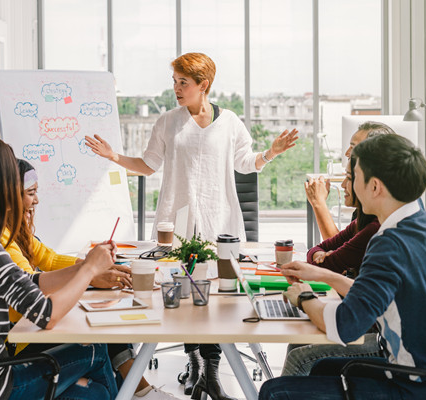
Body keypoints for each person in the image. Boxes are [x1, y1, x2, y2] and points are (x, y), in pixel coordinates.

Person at [86, 52, 298, 400]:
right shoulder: (168, 121)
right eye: (174, 81)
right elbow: (149, 164)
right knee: (182, 293)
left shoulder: (230, 122)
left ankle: (210, 370)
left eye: (183, 82)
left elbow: (247, 163)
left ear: (204, 85)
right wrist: (114, 157)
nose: (176, 89)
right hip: (178, 221)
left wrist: (271, 152)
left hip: (219, 220)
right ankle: (196, 361)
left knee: (216, 296)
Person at [261, 134, 426, 399]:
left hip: (420, 387)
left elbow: (344, 326)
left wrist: (302, 297)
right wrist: (323, 274)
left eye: (354, 175)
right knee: (321, 367)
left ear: (374, 187)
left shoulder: (389, 242)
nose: (347, 182)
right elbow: (380, 296)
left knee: (275, 392)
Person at [0, 135, 118, 400]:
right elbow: (46, 315)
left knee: (91, 391)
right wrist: (88, 271)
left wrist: (87, 265)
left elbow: (28, 282)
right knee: (94, 353)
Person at [6, 158, 174, 400]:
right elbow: (36, 284)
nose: (37, 200)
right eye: (31, 193)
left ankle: (135, 388)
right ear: (9, 196)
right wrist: (89, 272)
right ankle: (136, 390)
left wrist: (90, 267)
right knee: (98, 340)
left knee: (102, 340)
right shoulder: (0, 242)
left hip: (28, 333)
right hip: (23, 343)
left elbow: (49, 259)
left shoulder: (13, 231)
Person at [281, 158, 381, 376]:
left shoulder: (379, 231)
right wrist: (321, 270)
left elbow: (350, 318)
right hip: (379, 329)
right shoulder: (366, 223)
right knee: (297, 345)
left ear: (374, 185)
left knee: (299, 358)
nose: (343, 186)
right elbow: (319, 253)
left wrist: (307, 297)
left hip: (386, 345)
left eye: (348, 178)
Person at [305, 121, 395, 241]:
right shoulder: (364, 212)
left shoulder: (379, 223)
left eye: (353, 147)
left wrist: (318, 203)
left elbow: (340, 253)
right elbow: (343, 248)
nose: (347, 153)